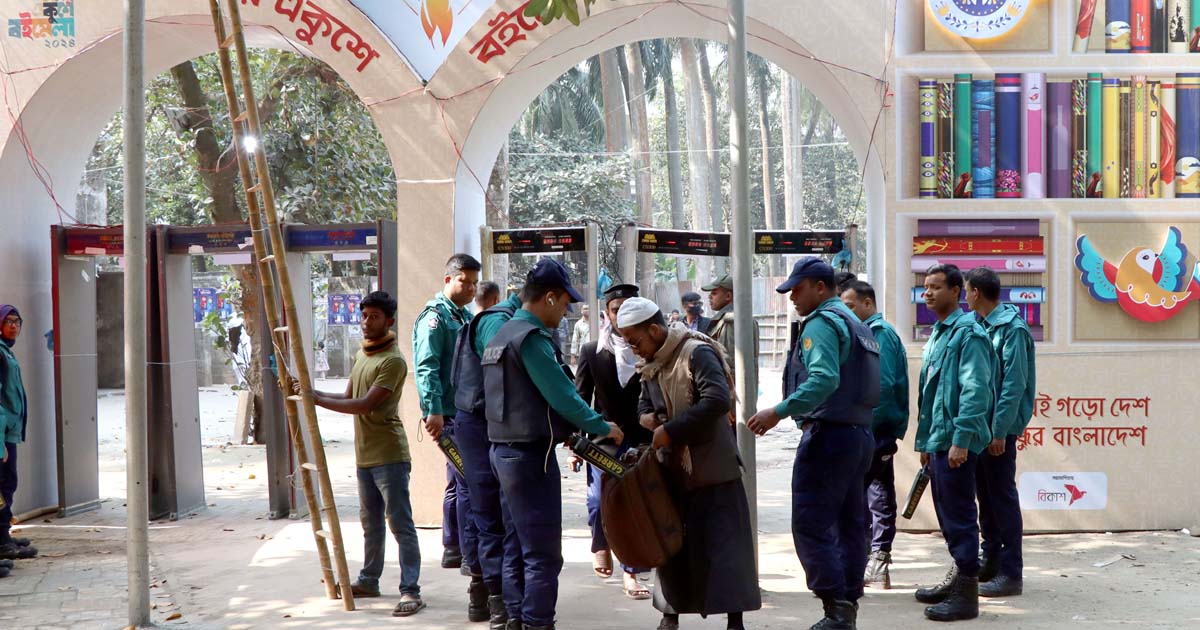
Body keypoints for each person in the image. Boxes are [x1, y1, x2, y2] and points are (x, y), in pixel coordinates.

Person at [483, 258, 624, 630]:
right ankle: (537, 622)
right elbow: (563, 396)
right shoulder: (531, 339)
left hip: (501, 451)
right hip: (530, 457)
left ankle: (516, 618)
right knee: (543, 553)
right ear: (549, 297)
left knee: (516, 543)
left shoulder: (500, 334)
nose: (564, 313)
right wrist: (601, 426)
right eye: (564, 304)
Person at [747, 259, 879, 630]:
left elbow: (822, 379)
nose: (791, 298)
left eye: (797, 289)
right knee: (851, 523)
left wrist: (779, 411)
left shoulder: (822, 323)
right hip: (859, 435)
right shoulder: (858, 325)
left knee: (811, 524)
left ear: (821, 287)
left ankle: (835, 607)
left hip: (829, 436)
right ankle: (847, 603)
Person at [619, 297, 760, 630]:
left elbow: (717, 400)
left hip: (712, 466)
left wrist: (671, 429)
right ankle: (670, 615)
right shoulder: (651, 363)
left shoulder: (697, 352)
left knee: (725, 548)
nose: (635, 349)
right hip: (671, 471)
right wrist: (649, 419)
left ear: (654, 330)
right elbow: (641, 405)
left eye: (636, 341)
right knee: (669, 545)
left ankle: (734, 620)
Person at [302, 292, 425, 617]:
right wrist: (310, 393)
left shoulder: (393, 360)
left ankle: (410, 590)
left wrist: (315, 399)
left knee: (400, 524)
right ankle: (369, 580)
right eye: (364, 315)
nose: (367, 322)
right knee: (371, 524)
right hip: (365, 457)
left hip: (389, 455)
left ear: (389, 321)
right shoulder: (362, 355)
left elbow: (364, 405)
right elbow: (347, 396)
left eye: (374, 316)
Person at [913, 264, 996, 622]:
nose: (927, 293)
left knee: (960, 516)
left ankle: (966, 596)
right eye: (925, 287)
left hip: (955, 443)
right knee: (948, 514)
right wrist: (925, 443)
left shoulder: (968, 334)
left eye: (935, 287)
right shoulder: (940, 333)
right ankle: (958, 579)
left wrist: (961, 440)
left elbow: (976, 391)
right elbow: (932, 394)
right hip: (939, 440)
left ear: (956, 292)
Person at [451, 281, 524, 630]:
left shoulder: (490, 320)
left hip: (477, 420)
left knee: (484, 511)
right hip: (482, 424)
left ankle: (486, 591)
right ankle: (496, 597)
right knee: (492, 514)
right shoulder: (502, 324)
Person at [413, 254, 483, 618]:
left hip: (462, 414)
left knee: (457, 484)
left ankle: (452, 546)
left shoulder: (463, 316)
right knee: (470, 485)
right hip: (451, 416)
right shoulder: (435, 318)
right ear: (448, 279)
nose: (470, 288)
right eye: (464, 282)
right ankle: (472, 557)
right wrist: (433, 410)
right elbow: (427, 365)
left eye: (473, 283)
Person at [573, 284, 653, 600]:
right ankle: (600, 542)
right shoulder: (592, 351)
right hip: (603, 441)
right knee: (597, 502)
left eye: (627, 307)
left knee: (634, 505)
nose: (621, 314)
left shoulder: (649, 349)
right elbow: (580, 399)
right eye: (615, 309)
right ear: (607, 313)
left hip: (643, 440)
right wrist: (577, 444)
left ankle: (631, 571)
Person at [964, 267, 1034, 599]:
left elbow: (1013, 385)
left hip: (996, 432)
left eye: (966, 290)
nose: (965, 295)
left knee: (1002, 497)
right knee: (985, 496)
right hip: (979, 429)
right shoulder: (977, 326)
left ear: (976, 292)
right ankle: (989, 560)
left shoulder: (1012, 329)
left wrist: (999, 431)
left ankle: (1011, 572)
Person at [839, 281, 909, 590]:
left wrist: (860, 424)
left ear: (868, 304)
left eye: (851, 305)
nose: (846, 312)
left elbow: (881, 386)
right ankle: (873, 564)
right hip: (872, 428)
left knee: (867, 499)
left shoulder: (877, 333)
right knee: (876, 495)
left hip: (873, 429)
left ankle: (870, 564)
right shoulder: (865, 331)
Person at [1, 305, 36, 573]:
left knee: (7, 483)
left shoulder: (6, 351)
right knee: (2, 485)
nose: (14, 326)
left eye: (17, 321)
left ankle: (4, 535)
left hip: (9, 430)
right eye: (8, 321)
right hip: (2, 433)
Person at [701, 275, 759, 366]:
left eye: (714, 293)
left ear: (728, 296)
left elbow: (730, 362)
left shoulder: (731, 321)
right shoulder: (739, 317)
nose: (710, 297)